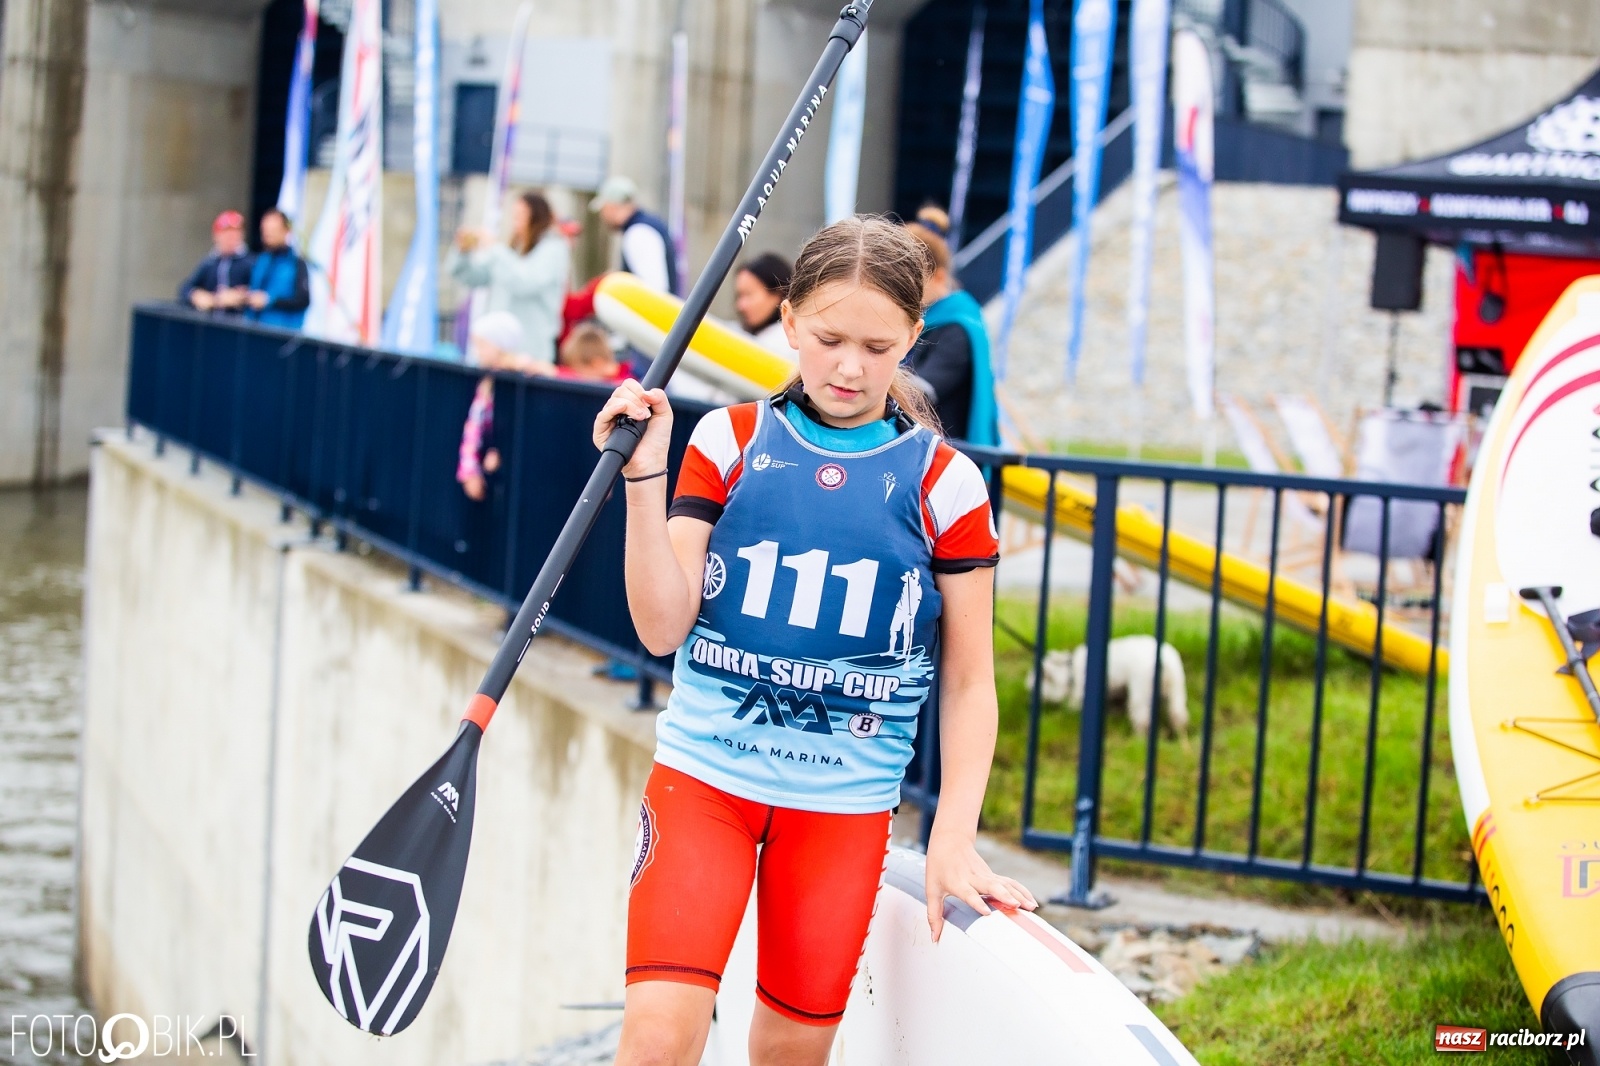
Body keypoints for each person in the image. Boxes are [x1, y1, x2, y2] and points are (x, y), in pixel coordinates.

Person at [592, 215, 1036, 1066]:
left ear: (913, 337)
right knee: (656, 1039)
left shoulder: (948, 484)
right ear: (789, 321)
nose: (849, 367)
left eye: (877, 347)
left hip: (841, 808)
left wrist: (953, 836)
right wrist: (644, 478)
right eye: (830, 339)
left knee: (791, 1052)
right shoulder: (728, 441)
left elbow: (969, 681)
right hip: (704, 784)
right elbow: (660, 627)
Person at [902, 206, 998, 446]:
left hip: (946, 450)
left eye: (914, 279)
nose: (906, 288)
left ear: (939, 277)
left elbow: (922, 393)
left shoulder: (958, 328)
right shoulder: (922, 318)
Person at [448, 189, 570, 364]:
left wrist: (494, 248)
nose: (515, 222)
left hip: (531, 354)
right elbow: (473, 277)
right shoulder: (512, 250)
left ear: (537, 216)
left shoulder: (553, 249)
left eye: (521, 216)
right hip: (496, 352)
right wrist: (463, 252)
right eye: (514, 215)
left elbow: (525, 282)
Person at [458, 312, 527, 503]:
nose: (477, 352)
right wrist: (469, 470)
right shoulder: (486, 381)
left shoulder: (516, 378)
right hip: (485, 466)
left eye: (482, 345)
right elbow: (473, 428)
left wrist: (501, 450)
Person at [591, 176, 679, 296]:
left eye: (604, 209)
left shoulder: (638, 233)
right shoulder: (645, 226)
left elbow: (655, 290)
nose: (602, 216)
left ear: (612, 207)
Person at [244, 208, 310, 330]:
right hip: (254, 330)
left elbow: (303, 300)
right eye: (265, 230)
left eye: (273, 230)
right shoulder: (259, 260)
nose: (268, 234)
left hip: (282, 333)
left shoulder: (297, 263)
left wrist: (269, 300)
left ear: (286, 231)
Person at [179, 210, 255, 315]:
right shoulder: (210, 263)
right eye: (226, 233)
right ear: (216, 236)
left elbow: (260, 291)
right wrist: (196, 295)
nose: (231, 237)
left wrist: (242, 296)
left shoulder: (250, 263)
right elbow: (185, 288)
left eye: (236, 233)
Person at [732, 252, 794, 356]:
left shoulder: (784, 344)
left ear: (777, 295)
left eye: (748, 294)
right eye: (739, 296)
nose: (740, 305)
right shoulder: (742, 333)